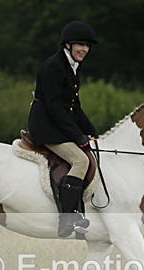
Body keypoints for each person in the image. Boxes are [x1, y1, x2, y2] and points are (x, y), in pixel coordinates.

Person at [28, 20, 99, 237]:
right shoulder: (53, 67)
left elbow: (74, 105)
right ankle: (67, 219)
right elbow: (56, 108)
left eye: (87, 46)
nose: (84, 50)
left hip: (57, 123)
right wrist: (78, 136)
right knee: (81, 160)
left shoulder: (72, 66)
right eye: (80, 45)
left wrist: (92, 130)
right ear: (67, 44)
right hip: (47, 127)